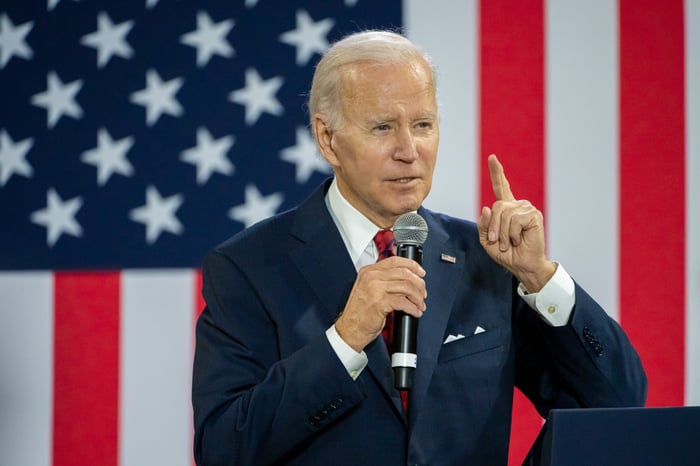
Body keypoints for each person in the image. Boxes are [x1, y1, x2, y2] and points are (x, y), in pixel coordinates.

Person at [192, 30, 646, 466]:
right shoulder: (247, 267)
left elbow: (616, 404)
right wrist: (344, 340)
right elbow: (223, 448)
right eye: (383, 127)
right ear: (328, 138)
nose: (409, 150)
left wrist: (541, 278)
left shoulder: (485, 259)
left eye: (423, 124)